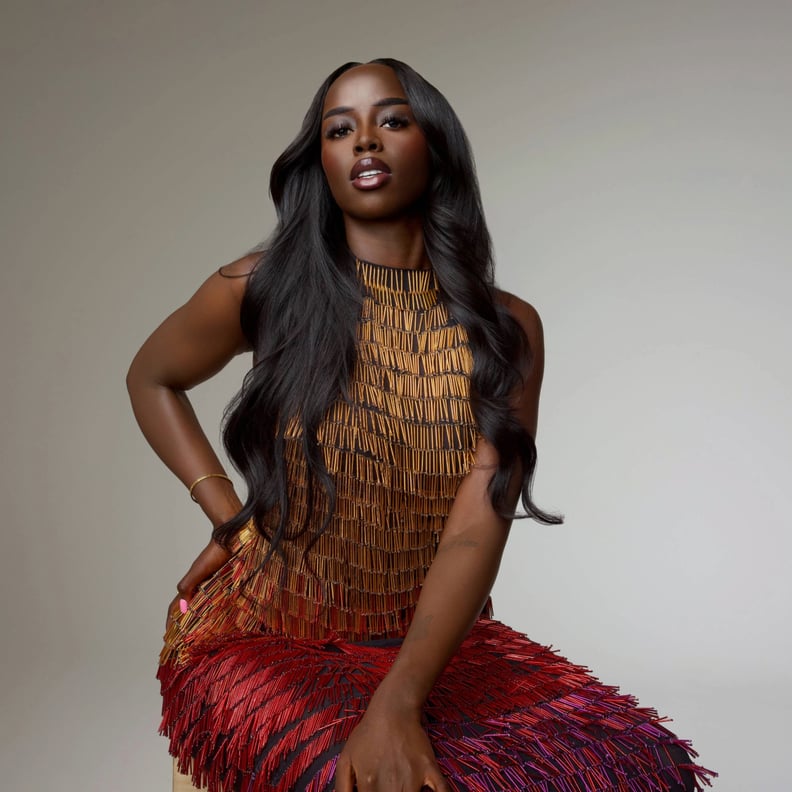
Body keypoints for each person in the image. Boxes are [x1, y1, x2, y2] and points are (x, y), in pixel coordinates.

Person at [127, 58, 715, 792]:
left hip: (436, 650)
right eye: (340, 130)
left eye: (392, 120)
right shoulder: (263, 288)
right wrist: (227, 517)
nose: (364, 141)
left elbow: (476, 526)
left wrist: (398, 701)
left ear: (434, 145)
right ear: (322, 161)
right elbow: (151, 378)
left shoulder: (506, 330)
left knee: (647, 765)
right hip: (265, 633)